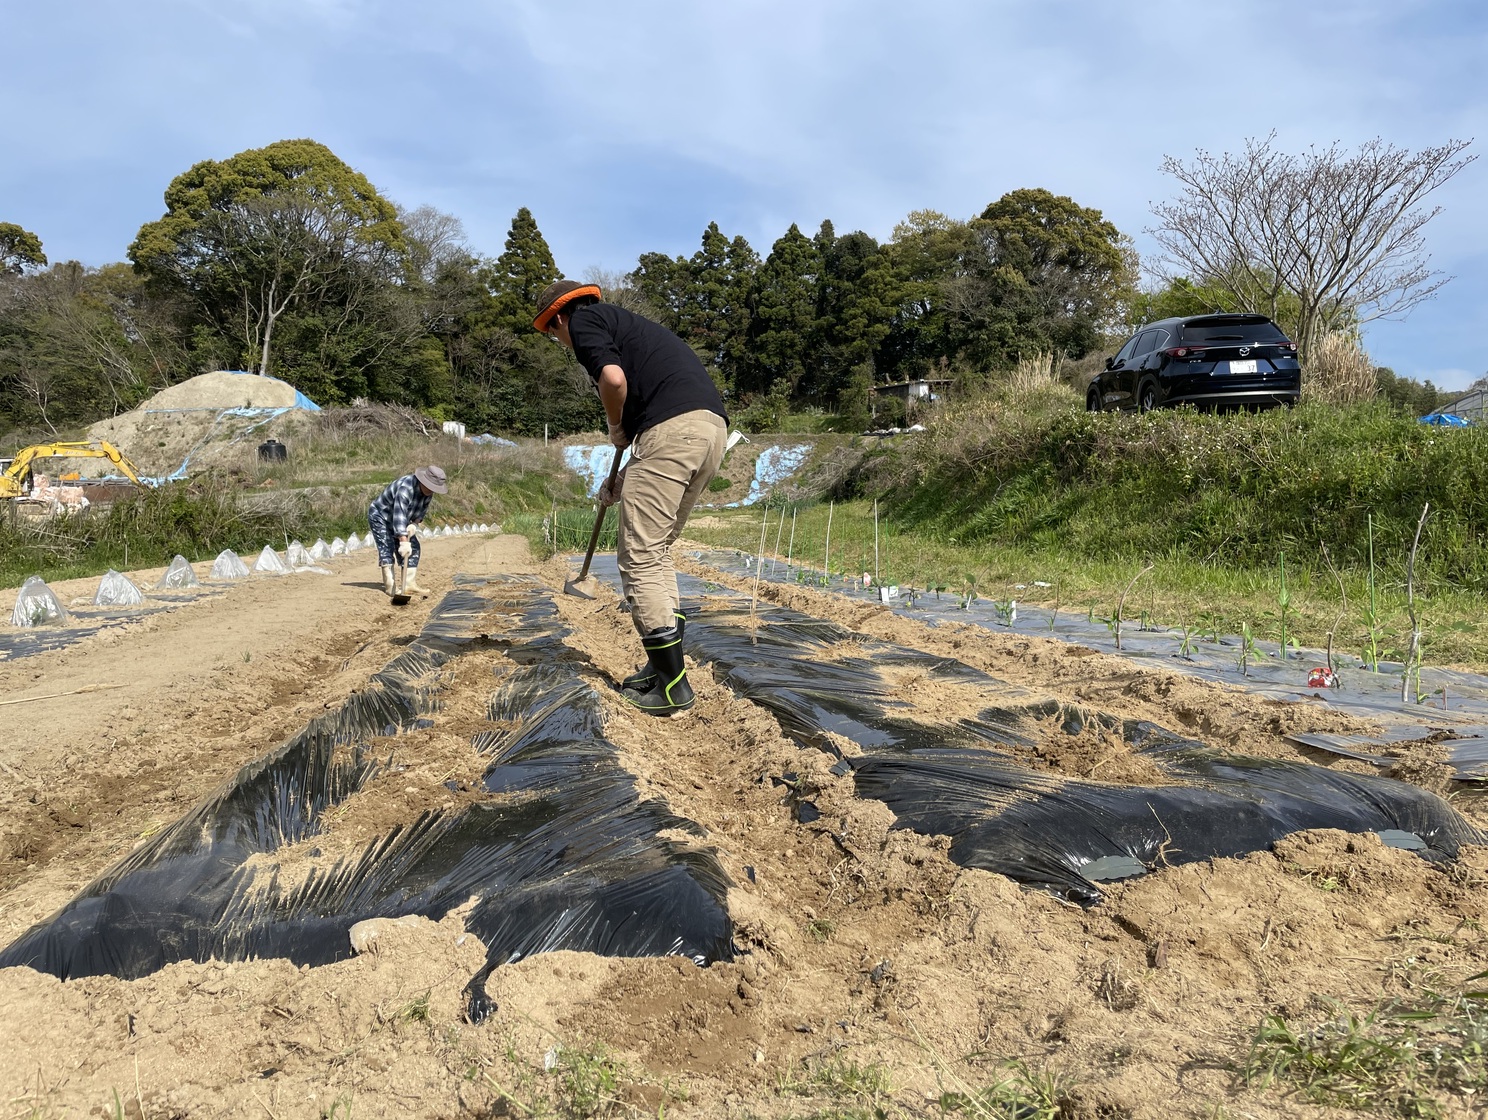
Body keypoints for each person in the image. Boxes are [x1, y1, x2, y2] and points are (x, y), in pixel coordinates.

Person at [534, 279, 728, 716]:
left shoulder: (583, 322)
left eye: (554, 334)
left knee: (639, 556)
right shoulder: (627, 325)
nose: (561, 342)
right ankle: (661, 668)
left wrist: (615, 424)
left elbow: (613, 379)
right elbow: (665, 424)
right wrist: (622, 477)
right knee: (656, 551)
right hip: (710, 430)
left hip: (671, 434)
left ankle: (673, 685)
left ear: (559, 317)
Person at [367, 465, 448, 597]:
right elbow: (399, 515)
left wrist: (414, 524)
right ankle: (390, 586)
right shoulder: (406, 488)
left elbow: (421, 511)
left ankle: (409, 584)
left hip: (401, 518)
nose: (432, 491)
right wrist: (403, 541)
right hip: (381, 516)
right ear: (423, 481)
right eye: (431, 487)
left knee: (414, 547)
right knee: (387, 546)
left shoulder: (428, 493)